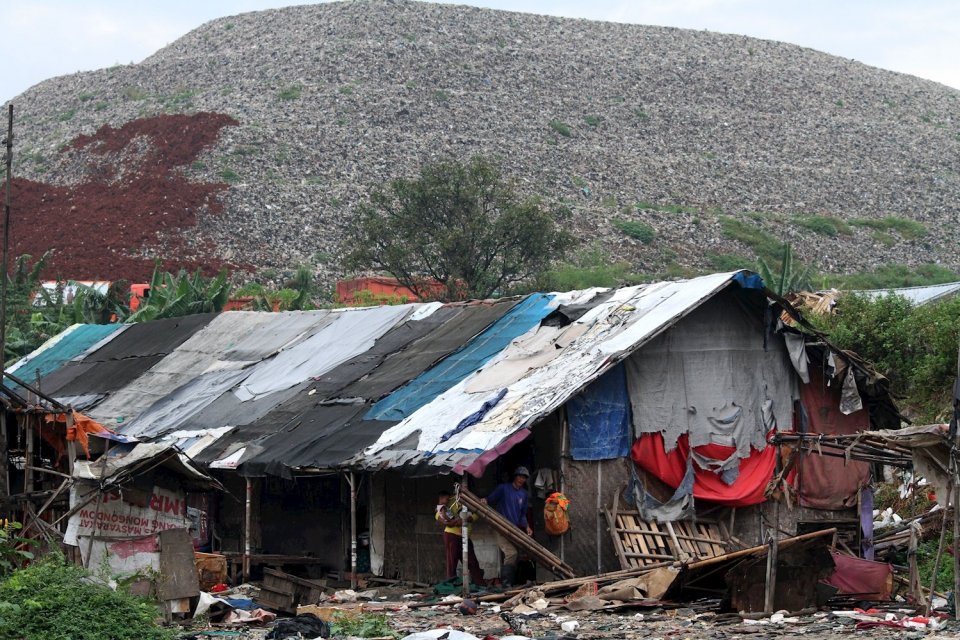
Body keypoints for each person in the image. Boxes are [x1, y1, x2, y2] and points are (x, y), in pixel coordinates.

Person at [482, 466, 532, 586]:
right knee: (511, 553)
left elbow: (522, 514)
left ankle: (513, 581)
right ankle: (506, 584)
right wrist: (485, 500)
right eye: (520, 476)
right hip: (500, 526)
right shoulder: (503, 488)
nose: (521, 479)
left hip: (513, 529)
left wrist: (527, 527)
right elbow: (491, 499)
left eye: (524, 477)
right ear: (515, 476)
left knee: (518, 554)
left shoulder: (524, 494)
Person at [435, 490, 485, 585]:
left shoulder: (474, 501)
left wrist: (466, 519)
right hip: (452, 535)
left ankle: (480, 584)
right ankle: (451, 586)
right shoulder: (452, 499)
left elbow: (477, 514)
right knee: (452, 561)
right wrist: (446, 521)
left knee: (472, 562)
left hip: (465, 536)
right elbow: (439, 511)